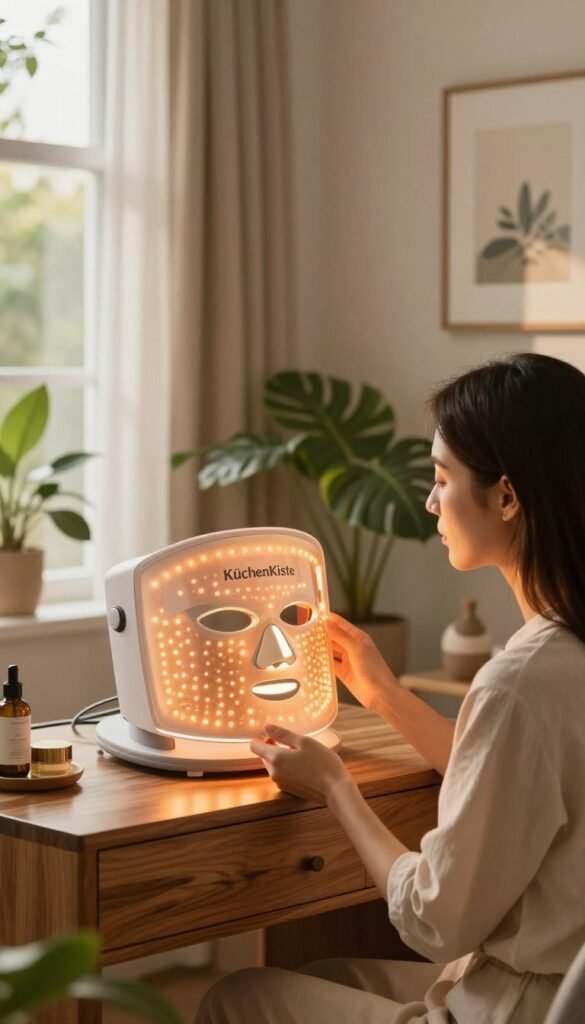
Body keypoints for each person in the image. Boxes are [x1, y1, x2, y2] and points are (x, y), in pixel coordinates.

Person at [196, 353, 585, 1024]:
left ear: (505, 496)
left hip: (517, 1008)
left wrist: (336, 790)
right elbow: (509, 779)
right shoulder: (556, 660)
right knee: (325, 973)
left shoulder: (517, 684)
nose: (430, 501)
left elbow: (434, 921)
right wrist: (381, 692)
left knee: (237, 996)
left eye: (441, 478)